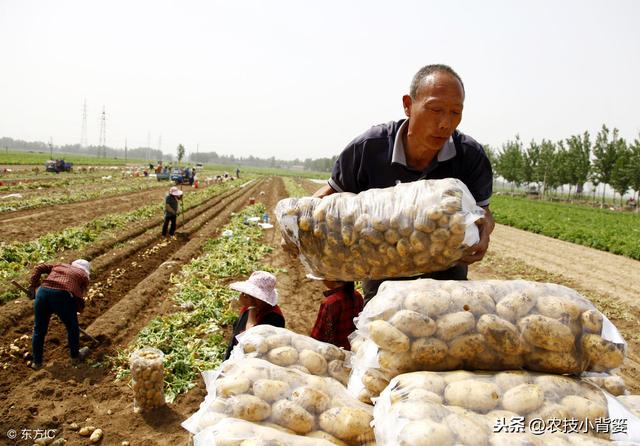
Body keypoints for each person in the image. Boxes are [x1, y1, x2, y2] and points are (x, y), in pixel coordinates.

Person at [309, 64, 495, 302]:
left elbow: (484, 213)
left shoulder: (470, 155)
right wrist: (297, 226)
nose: (445, 124)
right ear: (408, 105)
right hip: (383, 283)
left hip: (446, 283)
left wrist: (485, 233)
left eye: (455, 112)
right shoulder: (368, 148)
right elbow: (328, 198)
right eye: (435, 109)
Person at [28, 259, 92, 369]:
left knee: (39, 329)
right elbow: (78, 297)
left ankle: (37, 362)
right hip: (62, 295)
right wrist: (68, 312)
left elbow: (39, 267)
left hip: (43, 293)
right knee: (72, 328)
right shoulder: (83, 276)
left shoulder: (59, 265)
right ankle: (75, 356)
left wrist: (33, 285)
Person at [224, 271, 285, 359]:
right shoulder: (249, 307)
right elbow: (237, 330)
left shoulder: (274, 317)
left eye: (253, 295)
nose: (245, 296)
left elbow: (252, 341)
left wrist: (252, 308)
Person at [310, 281, 363, 350]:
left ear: (332, 279)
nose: (323, 280)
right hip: (355, 349)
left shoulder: (330, 302)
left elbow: (318, 336)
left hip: (336, 353)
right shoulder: (357, 296)